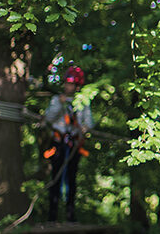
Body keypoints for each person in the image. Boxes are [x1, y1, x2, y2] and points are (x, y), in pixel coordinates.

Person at [42, 65, 93, 223]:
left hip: (74, 145)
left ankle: (71, 217)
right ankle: (52, 217)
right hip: (58, 143)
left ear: (77, 86)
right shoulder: (57, 100)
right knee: (55, 178)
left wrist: (84, 128)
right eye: (66, 83)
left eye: (71, 84)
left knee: (71, 180)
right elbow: (48, 118)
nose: (67, 86)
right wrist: (60, 104)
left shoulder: (83, 102)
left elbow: (89, 122)